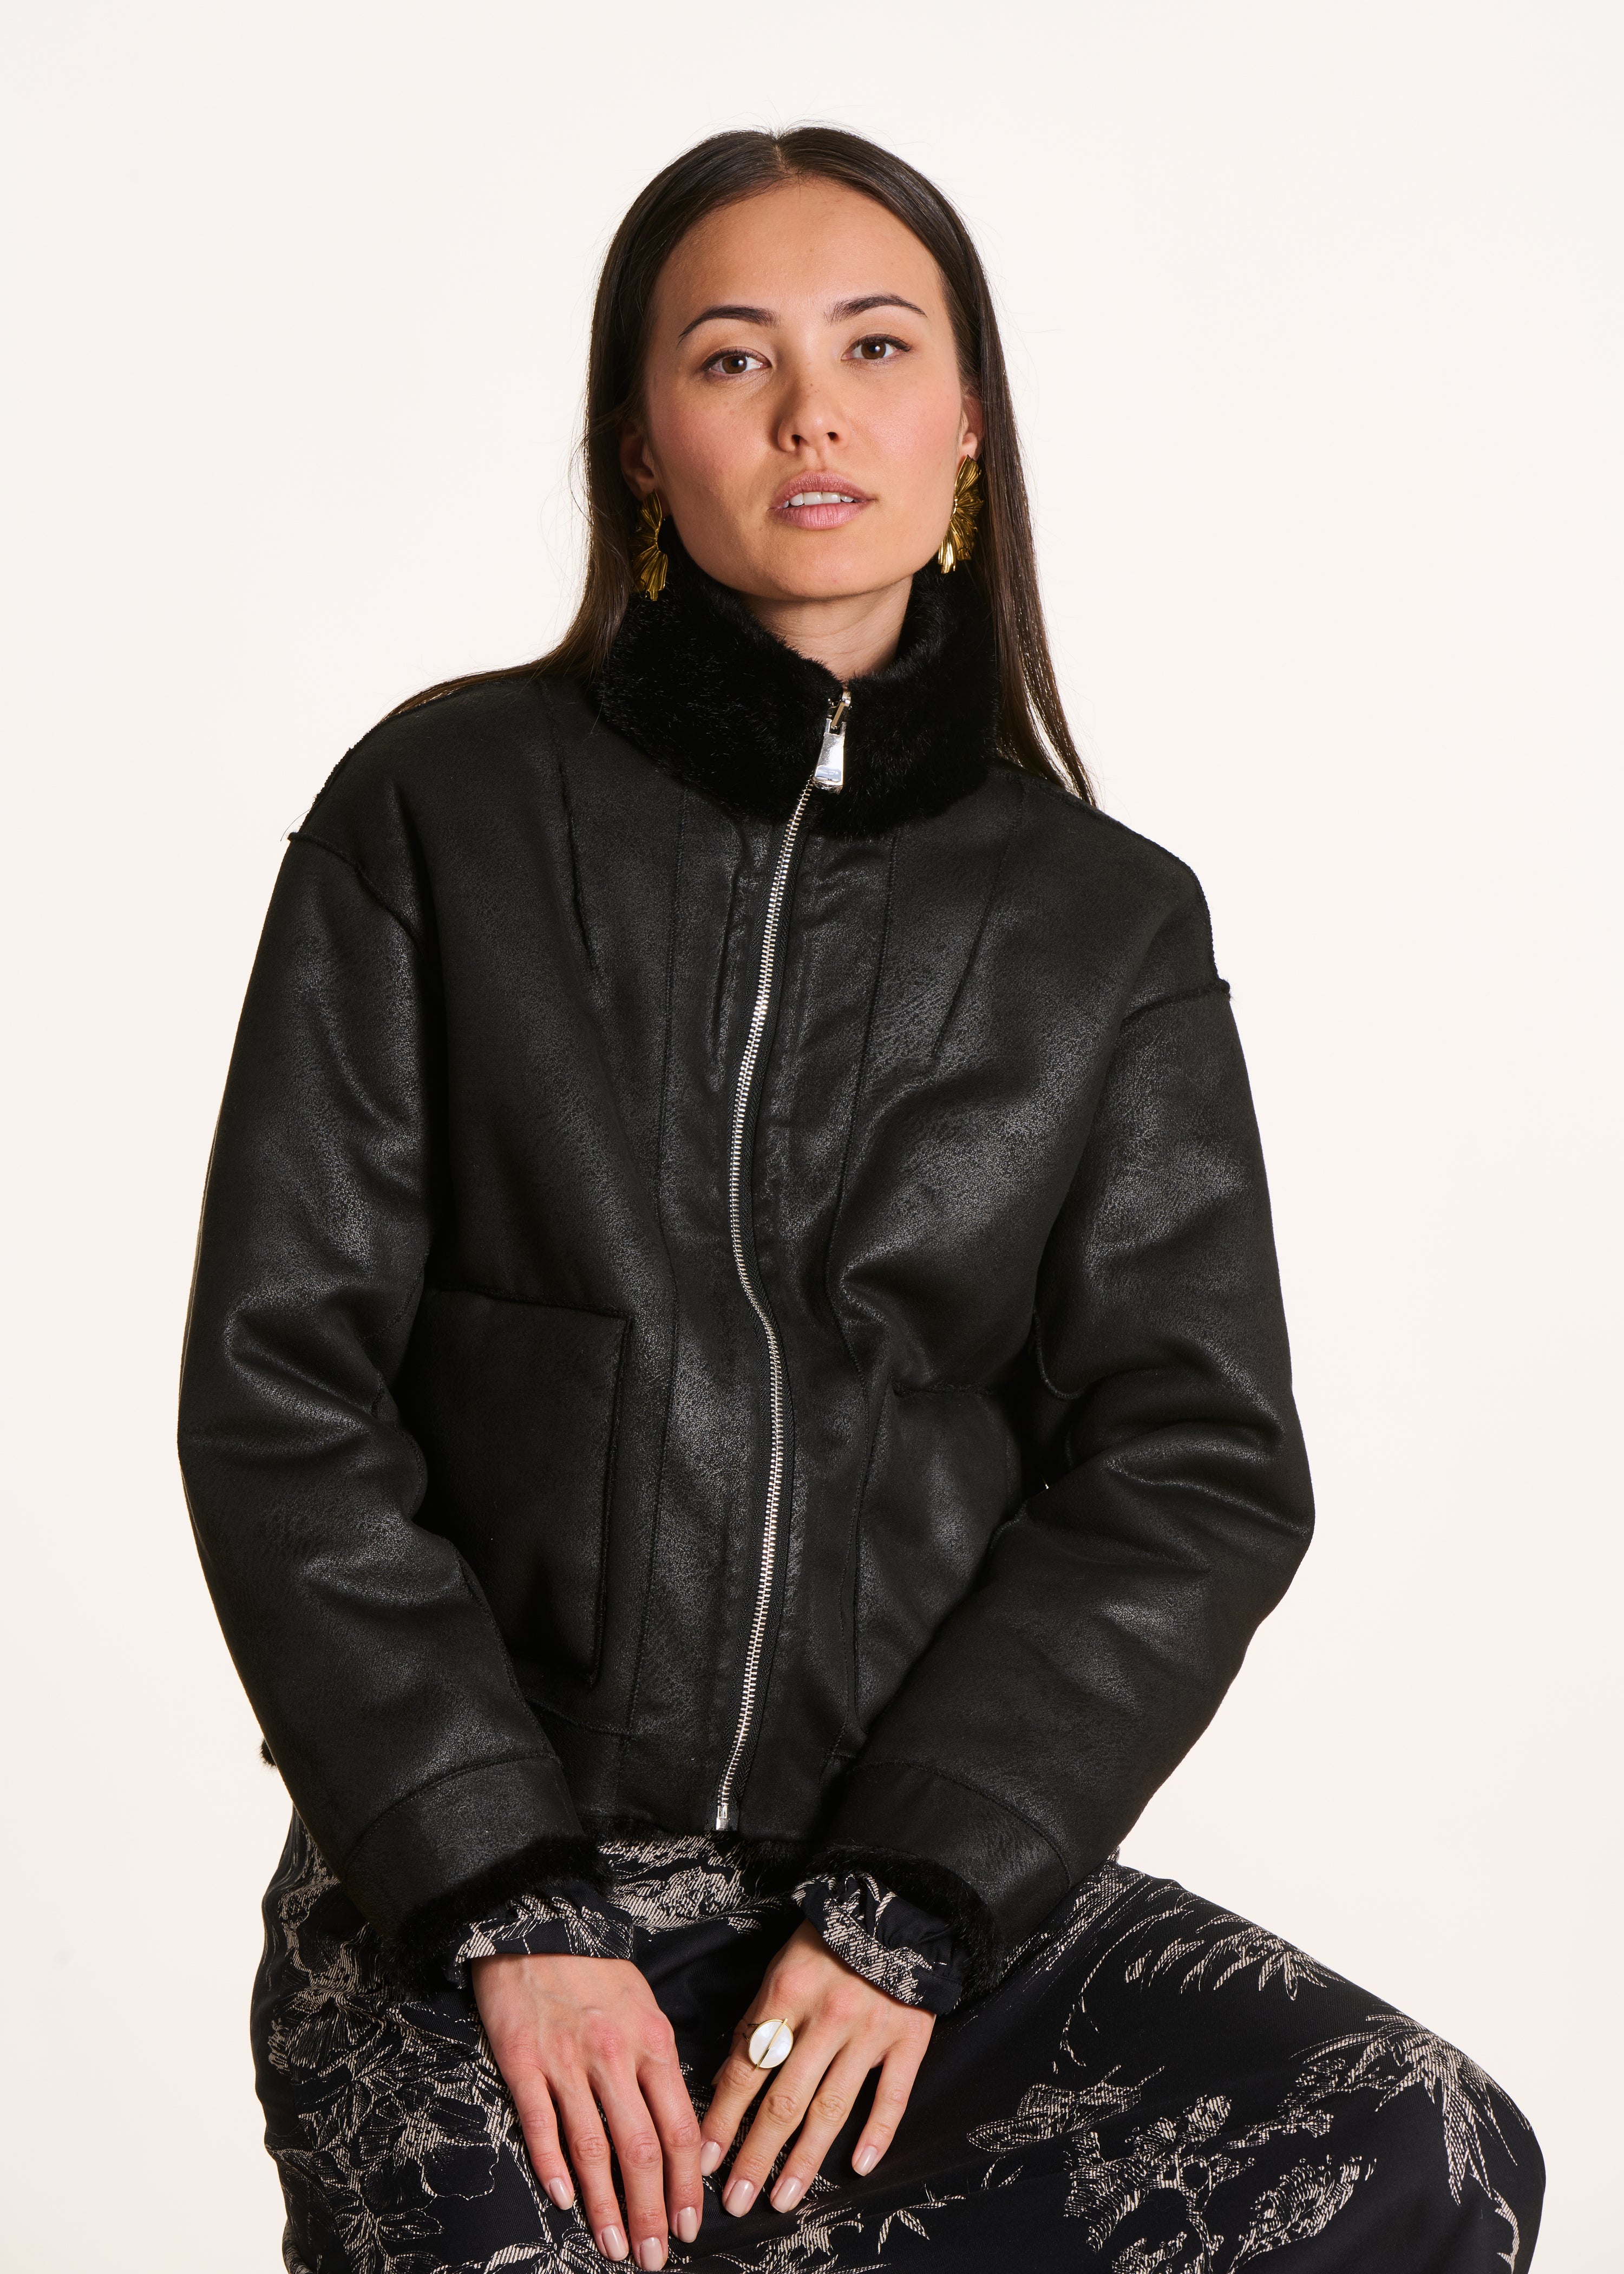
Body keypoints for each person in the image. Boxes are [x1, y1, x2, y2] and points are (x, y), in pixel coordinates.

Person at [178, 126, 1543, 2274]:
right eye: (734, 358)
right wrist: (500, 1889)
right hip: (476, 1917)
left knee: (1415, 2146)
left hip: (884, 1929)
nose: (812, 412)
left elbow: (1189, 1466)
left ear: (967, 419)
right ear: (641, 441)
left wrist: (915, 1900)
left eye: (877, 347)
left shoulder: (1102, 930)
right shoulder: (438, 814)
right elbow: (285, 1395)